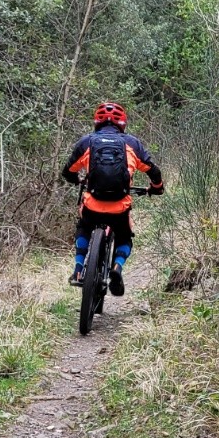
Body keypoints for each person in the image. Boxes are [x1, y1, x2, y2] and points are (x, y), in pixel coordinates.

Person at [61, 102, 163, 294]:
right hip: (119, 206)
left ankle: (77, 270)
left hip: (93, 205)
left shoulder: (86, 142)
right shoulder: (132, 143)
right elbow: (153, 170)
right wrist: (157, 188)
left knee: (83, 227)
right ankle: (116, 267)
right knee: (125, 236)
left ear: (97, 122)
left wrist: (77, 179)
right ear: (122, 124)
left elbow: (67, 171)